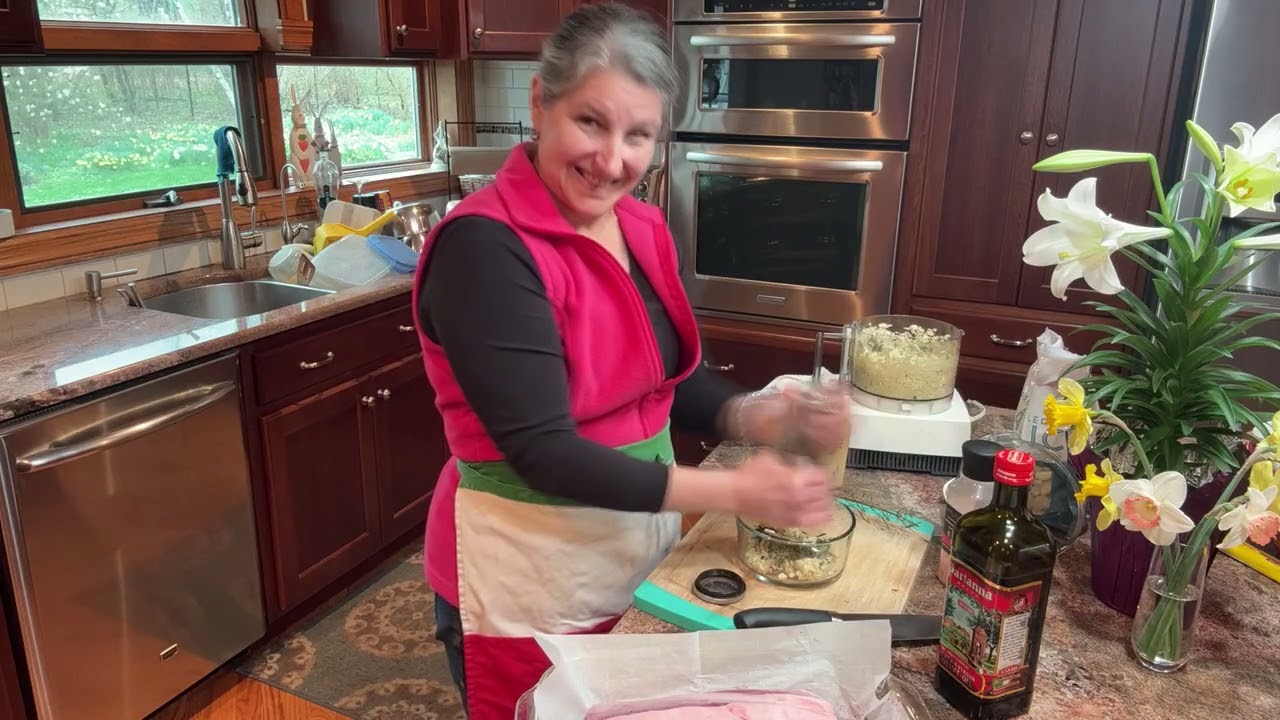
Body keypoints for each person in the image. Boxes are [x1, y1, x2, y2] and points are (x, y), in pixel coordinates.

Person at [411, 5, 852, 718]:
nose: (612, 160)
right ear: (540, 103)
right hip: (529, 563)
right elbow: (543, 452)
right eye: (590, 122)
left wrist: (754, 414)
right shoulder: (484, 250)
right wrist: (735, 493)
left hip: (632, 544)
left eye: (638, 134)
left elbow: (664, 383)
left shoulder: (639, 226)